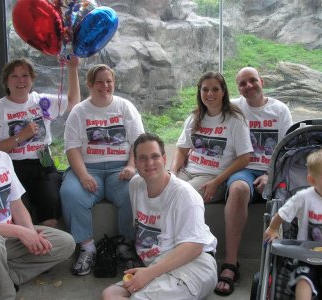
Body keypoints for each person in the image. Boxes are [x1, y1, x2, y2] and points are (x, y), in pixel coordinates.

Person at [0, 106, 75, 300]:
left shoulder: (3, 158)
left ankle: (0, 274)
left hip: (6, 239)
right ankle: (5, 293)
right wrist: (22, 233)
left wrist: (30, 233)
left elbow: (16, 204)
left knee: (65, 243)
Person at [101, 133, 218, 300]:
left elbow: (194, 247)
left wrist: (149, 273)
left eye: (155, 156)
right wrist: (149, 271)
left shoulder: (184, 195)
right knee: (110, 294)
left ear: (164, 159)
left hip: (193, 263)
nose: (149, 163)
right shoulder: (135, 185)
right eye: (142, 158)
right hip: (159, 265)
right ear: (135, 162)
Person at [60, 64, 145, 276]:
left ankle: (126, 244)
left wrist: (131, 165)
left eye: (109, 81)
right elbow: (72, 148)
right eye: (99, 81)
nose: (105, 86)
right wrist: (82, 175)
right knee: (70, 192)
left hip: (120, 169)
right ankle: (87, 248)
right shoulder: (79, 111)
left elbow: (138, 141)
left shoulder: (125, 107)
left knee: (134, 190)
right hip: (89, 168)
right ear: (89, 84)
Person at [215, 67, 293, 296]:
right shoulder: (234, 108)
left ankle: (287, 262)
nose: (248, 86)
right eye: (242, 83)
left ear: (262, 82)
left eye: (252, 81)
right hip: (244, 170)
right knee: (238, 188)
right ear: (237, 88)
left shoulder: (279, 110)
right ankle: (230, 264)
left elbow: (288, 149)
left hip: (274, 171)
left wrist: (271, 174)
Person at [0, 56, 80, 228]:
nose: (20, 81)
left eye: (25, 75)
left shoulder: (41, 101)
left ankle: (49, 249)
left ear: (32, 79)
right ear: (6, 81)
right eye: (14, 76)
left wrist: (72, 69)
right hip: (12, 166)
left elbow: (72, 102)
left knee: (51, 203)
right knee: (22, 214)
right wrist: (20, 136)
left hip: (43, 162)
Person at [264, 147, 322, 300]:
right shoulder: (304, 197)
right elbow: (282, 212)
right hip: (307, 256)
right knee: (303, 281)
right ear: (312, 181)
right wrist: (273, 228)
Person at [170, 71, 252, 204]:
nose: (210, 94)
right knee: (162, 191)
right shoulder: (194, 117)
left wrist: (216, 182)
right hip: (186, 172)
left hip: (213, 176)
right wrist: (172, 172)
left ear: (223, 92)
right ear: (199, 92)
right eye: (205, 89)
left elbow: (244, 158)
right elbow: (181, 149)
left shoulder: (235, 120)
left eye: (215, 89)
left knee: (181, 198)